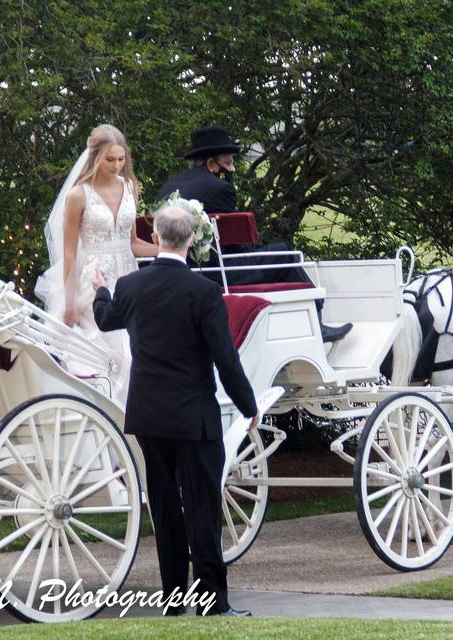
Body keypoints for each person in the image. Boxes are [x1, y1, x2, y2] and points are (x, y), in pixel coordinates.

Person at [92, 202, 259, 617]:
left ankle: (173, 600)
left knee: (165, 508)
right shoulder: (203, 292)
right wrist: (248, 405)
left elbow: (106, 320)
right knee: (202, 507)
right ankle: (211, 602)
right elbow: (225, 357)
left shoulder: (130, 287)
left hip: (148, 415)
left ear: (156, 239)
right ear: (190, 242)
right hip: (193, 416)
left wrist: (100, 289)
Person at [157, 125, 352, 343]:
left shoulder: (168, 188)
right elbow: (235, 245)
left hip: (180, 268)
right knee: (285, 254)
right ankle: (316, 324)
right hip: (215, 271)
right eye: (228, 163)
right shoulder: (220, 189)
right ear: (212, 164)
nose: (232, 170)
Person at [35, 124, 157, 397]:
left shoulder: (130, 188)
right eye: (109, 159)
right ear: (95, 157)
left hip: (129, 277)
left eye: (121, 159)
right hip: (94, 280)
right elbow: (69, 253)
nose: (116, 166)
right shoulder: (79, 194)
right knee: (113, 352)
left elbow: (133, 243)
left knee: (137, 350)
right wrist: (68, 303)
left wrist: (166, 251)